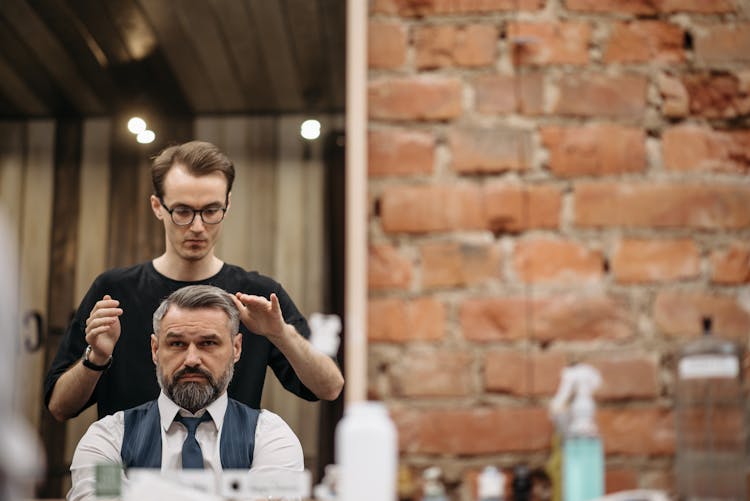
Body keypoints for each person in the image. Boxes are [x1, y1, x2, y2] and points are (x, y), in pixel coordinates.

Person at [45, 140, 344, 421]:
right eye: (183, 211)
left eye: (211, 210)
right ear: (157, 207)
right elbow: (59, 407)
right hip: (130, 474)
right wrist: (96, 357)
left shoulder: (260, 296)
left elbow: (330, 387)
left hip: (227, 474)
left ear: (228, 204)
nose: (198, 227)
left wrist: (281, 334)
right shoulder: (113, 292)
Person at [68, 285, 304, 501]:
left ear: (236, 348)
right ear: (155, 349)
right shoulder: (109, 438)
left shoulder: (271, 436)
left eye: (208, 343)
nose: (192, 360)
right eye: (177, 344)